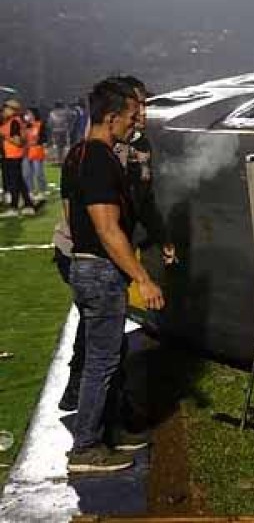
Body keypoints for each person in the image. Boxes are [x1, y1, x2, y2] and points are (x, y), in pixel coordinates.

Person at [61, 77, 165, 473]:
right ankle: (86, 447)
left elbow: (73, 219)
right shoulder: (102, 159)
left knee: (101, 358)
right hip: (102, 272)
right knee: (102, 363)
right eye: (128, 117)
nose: (132, 124)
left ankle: (101, 436)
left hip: (83, 265)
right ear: (109, 117)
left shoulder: (75, 155)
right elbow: (107, 228)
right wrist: (143, 276)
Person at [0, 98, 37, 217]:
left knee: (14, 183)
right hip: (12, 155)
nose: (3, 111)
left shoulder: (14, 122)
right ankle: (28, 204)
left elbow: (18, 141)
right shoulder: (15, 121)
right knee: (19, 181)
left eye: (5, 108)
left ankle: (14, 207)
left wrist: (4, 136)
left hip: (12, 155)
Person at [23, 106, 48, 201]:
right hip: (26, 151)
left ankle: (42, 190)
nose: (27, 116)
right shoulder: (25, 125)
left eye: (29, 114)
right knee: (27, 173)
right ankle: (30, 190)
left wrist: (40, 144)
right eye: (27, 114)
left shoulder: (40, 124)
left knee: (38, 172)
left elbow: (44, 137)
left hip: (36, 150)